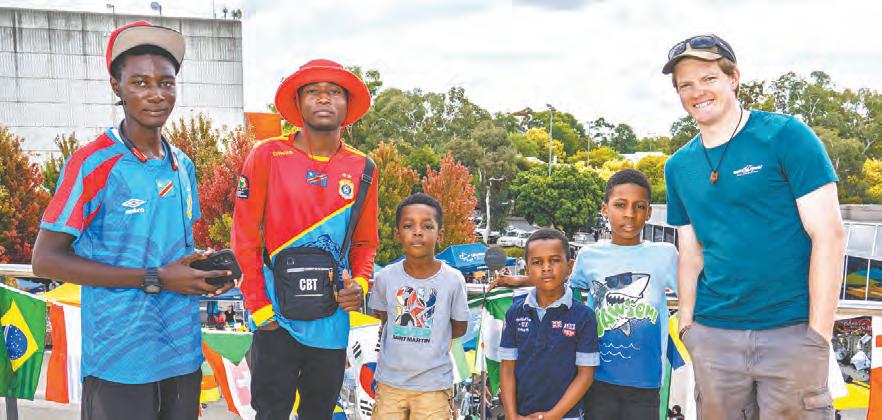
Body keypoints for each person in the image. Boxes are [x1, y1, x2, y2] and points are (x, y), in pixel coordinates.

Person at [31, 21, 233, 420]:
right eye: (140, 83)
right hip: (119, 360)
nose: (156, 94)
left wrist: (204, 269)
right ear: (116, 86)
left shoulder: (183, 165)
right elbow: (45, 261)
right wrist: (156, 278)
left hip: (181, 354)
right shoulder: (91, 163)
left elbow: (171, 250)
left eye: (166, 82)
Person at [662, 34, 845, 419]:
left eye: (709, 78)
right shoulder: (678, 166)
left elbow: (828, 235)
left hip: (791, 332)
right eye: (685, 85)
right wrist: (689, 326)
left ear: (733, 78)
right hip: (714, 337)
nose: (697, 92)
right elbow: (690, 252)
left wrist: (819, 336)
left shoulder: (785, 136)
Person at [231, 59, 379, 419]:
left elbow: (365, 243)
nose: (323, 98)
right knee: (270, 413)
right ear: (298, 102)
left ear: (347, 104)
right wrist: (259, 309)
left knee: (320, 413)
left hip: (331, 322)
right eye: (313, 91)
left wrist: (360, 284)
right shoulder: (266, 155)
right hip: (275, 318)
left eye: (334, 92)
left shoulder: (364, 168)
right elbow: (244, 239)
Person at [570, 169, 678, 419]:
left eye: (639, 206)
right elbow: (564, 290)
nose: (630, 214)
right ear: (605, 209)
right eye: (620, 205)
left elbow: (693, 292)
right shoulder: (588, 256)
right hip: (596, 377)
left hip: (646, 381)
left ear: (649, 212)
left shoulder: (665, 254)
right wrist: (520, 280)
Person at [369, 193, 469, 419]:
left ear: (440, 234)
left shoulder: (453, 280)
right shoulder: (385, 277)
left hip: (433, 386)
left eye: (427, 226)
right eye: (408, 225)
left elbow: (459, 327)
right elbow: (381, 316)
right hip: (390, 384)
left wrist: (432, 333)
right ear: (397, 234)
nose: (417, 232)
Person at [499, 228, 599, 420]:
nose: (546, 268)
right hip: (522, 415)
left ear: (569, 266)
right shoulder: (514, 313)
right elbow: (507, 369)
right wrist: (511, 415)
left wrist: (553, 415)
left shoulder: (584, 316)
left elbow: (586, 375)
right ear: (527, 270)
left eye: (554, 260)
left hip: (567, 416)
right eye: (537, 262)